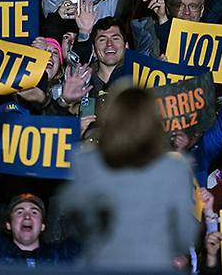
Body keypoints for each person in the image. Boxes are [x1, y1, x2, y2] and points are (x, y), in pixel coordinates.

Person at [59, 87, 197, 269]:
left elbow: (74, 222)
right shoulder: (174, 168)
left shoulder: (86, 161)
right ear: (154, 122)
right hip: (153, 266)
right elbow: (185, 234)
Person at [0, 143, 79, 266]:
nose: (27, 216)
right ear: (8, 225)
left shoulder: (59, 257)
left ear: (42, 226)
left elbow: (89, 235)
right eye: (19, 212)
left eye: (34, 212)